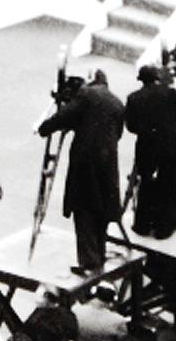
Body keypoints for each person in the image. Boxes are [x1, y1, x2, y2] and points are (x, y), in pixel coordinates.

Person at [38, 71, 125, 274]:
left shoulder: (86, 95)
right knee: (101, 210)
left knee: (84, 209)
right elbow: (117, 133)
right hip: (108, 163)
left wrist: (45, 128)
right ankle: (99, 257)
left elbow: (65, 116)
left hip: (86, 163)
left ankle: (89, 264)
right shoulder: (117, 103)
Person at [125, 63, 176, 240]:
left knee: (146, 184)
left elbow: (131, 126)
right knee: (168, 185)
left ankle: (142, 225)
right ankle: (164, 228)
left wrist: (146, 130)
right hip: (168, 147)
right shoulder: (169, 94)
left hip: (146, 148)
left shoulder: (133, 98)